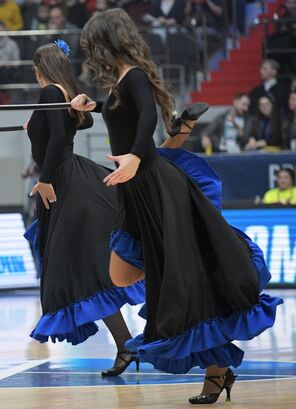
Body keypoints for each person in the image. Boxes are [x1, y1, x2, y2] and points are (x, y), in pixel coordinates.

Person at [72, 9, 282, 404]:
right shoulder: (121, 81)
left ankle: (216, 374)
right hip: (135, 191)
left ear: (107, 41)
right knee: (128, 276)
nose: (91, 52)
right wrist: (94, 107)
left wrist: (134, 156)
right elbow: (126, 114)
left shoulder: (133, 75)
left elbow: (147, 116)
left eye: (93, 44)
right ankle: (215, 364)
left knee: (182, 280)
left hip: (153, 185)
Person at [23, 40, 144, 376]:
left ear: (39, 70)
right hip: (73, 181)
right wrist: (36, 126)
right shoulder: (65, 93)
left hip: (63, 184)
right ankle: (125, 346)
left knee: (88, 271)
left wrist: (45, 179)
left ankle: (129, 345)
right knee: (92, 272)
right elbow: (80, 124)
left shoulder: (50, 92)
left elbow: (60, 138)